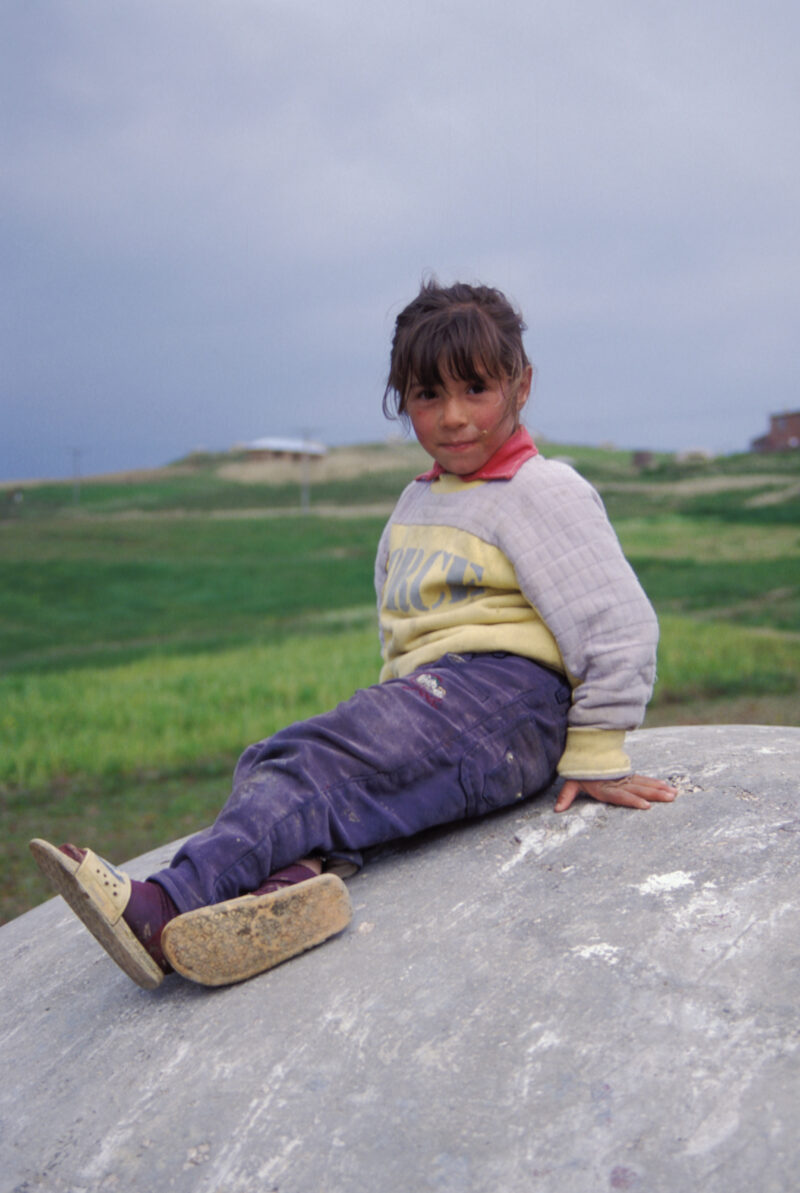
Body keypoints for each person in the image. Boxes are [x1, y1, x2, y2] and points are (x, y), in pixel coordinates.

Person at [31, 279, 676, 991]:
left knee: (315, 761)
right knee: (272, 759)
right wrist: (393, 714)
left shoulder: (540, 490)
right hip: (445, 699)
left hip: (512, 702)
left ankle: (165, 907)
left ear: (522, 386)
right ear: (403, 400)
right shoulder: (417, 503)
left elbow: (618, 622)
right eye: (428, 395)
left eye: (476, 389)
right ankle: (291, 884)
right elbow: (402, 629)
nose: (454, 416)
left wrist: (598, 749)